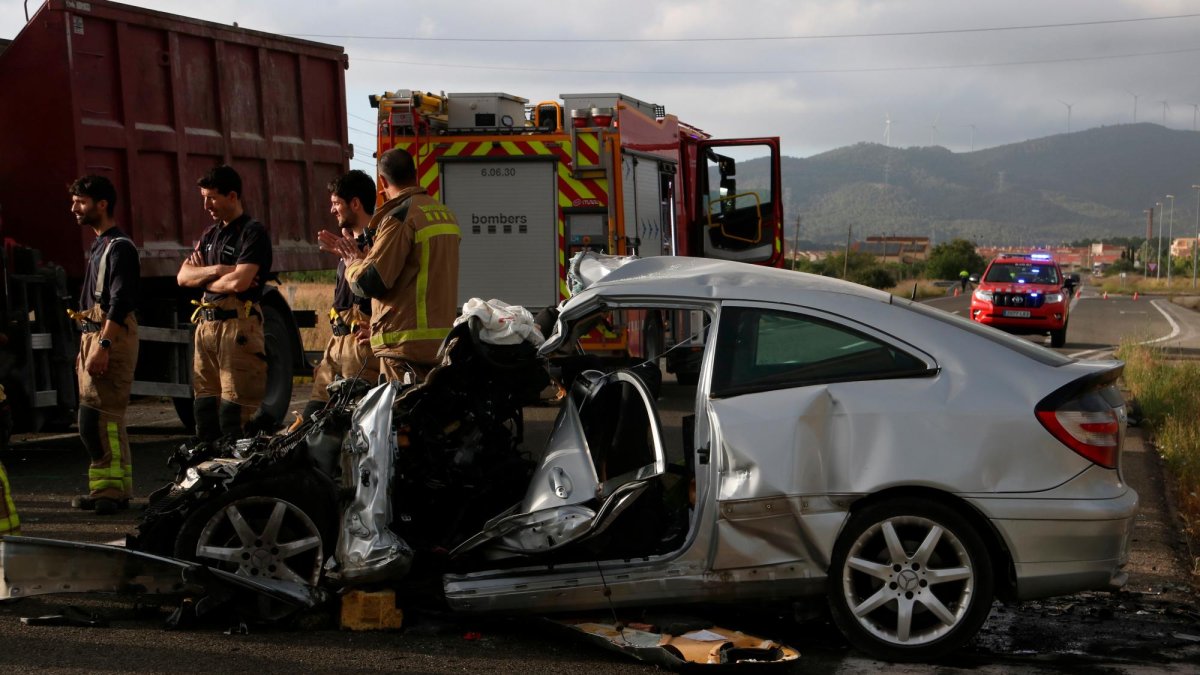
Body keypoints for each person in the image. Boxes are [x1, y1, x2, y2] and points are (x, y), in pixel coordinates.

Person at [320, 149, 460, 384]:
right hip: (439, 342)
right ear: (414, 174)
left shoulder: (400, 217)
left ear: (383, 181)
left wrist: (353, 261)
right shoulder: (445, 214)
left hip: (403, 345)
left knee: (398, 418)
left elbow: (370, 282)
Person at [176, 165, 273, 442]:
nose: (206, 205)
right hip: (207, 329)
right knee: (205, 412)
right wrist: (219, 270)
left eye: (212, 198)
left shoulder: (253, 233)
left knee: (234, 417)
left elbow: (239, 284)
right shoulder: (210, 235)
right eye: (204, 198)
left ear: (232, 196)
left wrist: (204, 279)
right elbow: (183, 277)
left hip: (238, 329)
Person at [67, 175, 140, 515]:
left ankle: (111, 491)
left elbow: (121, 301)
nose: (74, 208)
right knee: (97, 418)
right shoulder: (100, 244)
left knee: (101, 419)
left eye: (80, 201)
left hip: (107, 334)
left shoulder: (119, 247)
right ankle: (110, 490)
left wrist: (104, 344)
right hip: (92, 334)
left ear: (102, 204)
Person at [296, 170, 381, 424]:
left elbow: (382, 287)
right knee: (310, 424)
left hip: (362, 354)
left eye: (336, 203)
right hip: (336, 350)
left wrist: (360, 258)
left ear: (355, 203)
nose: (332, 210)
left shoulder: (380, 242)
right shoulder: (346, 247)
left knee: (351, 428)